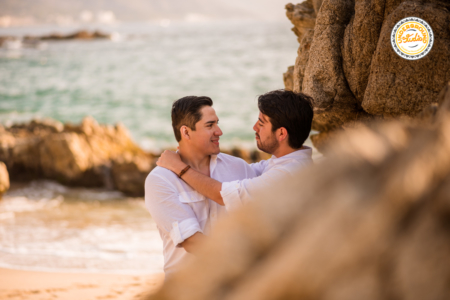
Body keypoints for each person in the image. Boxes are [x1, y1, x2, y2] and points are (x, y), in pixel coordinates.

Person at [144, 96, 256, 276]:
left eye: (217, 124)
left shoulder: (239, 168)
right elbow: (193, 242)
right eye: (210, 125)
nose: (219, 131)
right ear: (186, 133)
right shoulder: (160, 180)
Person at [156, 89, 314, 211]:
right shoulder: (286, 163)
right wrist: (193, 153)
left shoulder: (289, 173)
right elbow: (242, 171)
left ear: (281, 133)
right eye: (210, 125)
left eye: (261, 123)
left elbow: (222, 195)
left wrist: (179, 167)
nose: (254, 127)